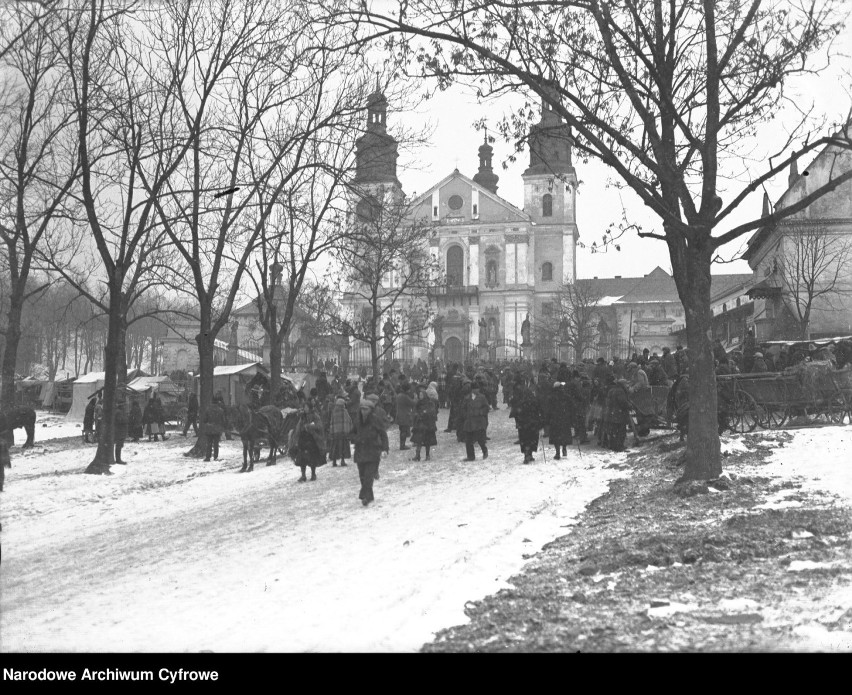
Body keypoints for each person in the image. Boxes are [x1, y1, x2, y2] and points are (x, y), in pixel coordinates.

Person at [350, 394, 389, 506]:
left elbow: (383, 435)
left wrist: (385, 449)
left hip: (373, 451)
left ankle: (365, 497)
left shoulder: (376, 420)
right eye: (362, 409)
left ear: (371, 410)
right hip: (360, 452)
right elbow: (351, 433)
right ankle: (369, 495)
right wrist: (356, 438)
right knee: (362, 476)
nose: (363, 412)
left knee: (368, 476)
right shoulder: (357, 421)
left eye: (366, 409)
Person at [511, 377, 543, 464]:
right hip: (532, 424)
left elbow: (516, 412)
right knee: (532, 439)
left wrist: (518, 422)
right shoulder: (534, 401)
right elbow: (539, 411)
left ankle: (526, 454)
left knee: (524, 440)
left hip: (523, 424)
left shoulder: (521, 403)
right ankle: (530, 454)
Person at [292, 401, 326, 482]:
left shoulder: (315, 416)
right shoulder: (302, 417)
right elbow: (298, 427)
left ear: (310, 407)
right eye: (304, 407)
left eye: (306, 407)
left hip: (311, 439)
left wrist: (310, 426)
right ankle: (303, 475)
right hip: (303, 439)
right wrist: (297, 435)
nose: (305, 408)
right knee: (302, 458)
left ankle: (313, 474)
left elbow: (319, 426)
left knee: (312, 458)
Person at [460, 380, 490, 461]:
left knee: (480, 439)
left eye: (478, 389)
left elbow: (487, 408)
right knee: (468, 440)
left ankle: (485, 451)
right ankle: (470, 456)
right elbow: (463, 408)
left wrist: (480, 412)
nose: (477, 390)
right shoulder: (467, 398)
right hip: (469, 422)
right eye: (475, 389)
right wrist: (466, 415)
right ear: (472, 390)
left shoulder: (482, 397)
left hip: (479, 422)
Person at [548, 380, 574, 459]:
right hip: (565, 418)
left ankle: (557, 453)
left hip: (555, 419)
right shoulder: (566, 396)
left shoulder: (551, 397)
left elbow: (548, 409)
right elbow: (571, 406)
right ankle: (564, 449)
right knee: (564, 434)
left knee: (556, 436)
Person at [412, 385, 438, 461]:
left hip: (427, 425)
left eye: (421, 395)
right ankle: (417, 455)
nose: (420, 396)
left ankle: (427, 455)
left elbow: (432, 412)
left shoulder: (429, 403)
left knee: (427, 441)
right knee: (418, 440)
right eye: (419, 395)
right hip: (419, 425)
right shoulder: (418, 403)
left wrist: (424, 413)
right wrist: (417, 415)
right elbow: (415, 411)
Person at [328, 398, 352, 467]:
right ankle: (342, 460)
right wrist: (349, 430)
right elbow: (348, 421)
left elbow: (331, 423)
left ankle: (334, 461)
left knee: (335, 447)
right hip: (342, 432)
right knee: (342, 447)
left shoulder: (334, 412)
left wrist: (332, 431)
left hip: (335, 433)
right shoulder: (344, 411)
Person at [203, 395, 226, 461]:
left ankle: (208, 457)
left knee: (209, 444)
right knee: (216, 444)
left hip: (209, 429)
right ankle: (215, 457)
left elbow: (204, 420)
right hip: (217, 430)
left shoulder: (208, 410)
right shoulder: (221, 410)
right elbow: (223, 421)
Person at [395, 382, 415, 451]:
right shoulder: (405, 396)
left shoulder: (399, 395)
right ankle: (402, 445)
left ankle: (402, 445)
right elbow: (412, 403)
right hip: (405, 415)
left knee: (402, 430)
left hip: (400, 415)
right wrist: (415, 398)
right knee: (404, 431)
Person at [113, 393, 127, 464]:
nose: (125, 406)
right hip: (119, 430)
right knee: (119, 445)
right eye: (124, 404)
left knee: (119, 445)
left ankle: (118, 459)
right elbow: (119, 421)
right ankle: (118, 459)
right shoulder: (119, 412)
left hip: (120, 430)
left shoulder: (119, 411)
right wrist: (125, 420)